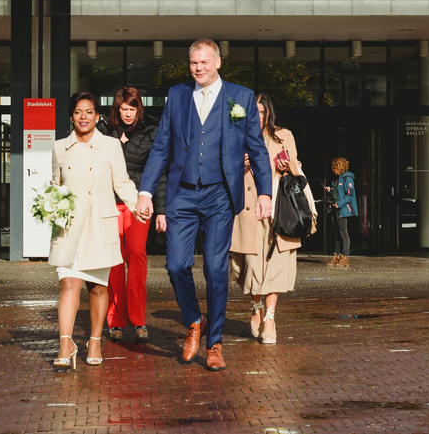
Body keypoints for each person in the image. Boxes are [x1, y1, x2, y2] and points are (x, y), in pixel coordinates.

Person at [136, 38, 272, 371]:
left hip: (220, 195)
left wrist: (266, 192)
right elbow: (161, 148)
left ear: (218, 62)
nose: (199, 68)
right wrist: (145, 191)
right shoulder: (178, 95)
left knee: (215, 269)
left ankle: (214, 342)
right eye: (194, 62)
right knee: (176, 265)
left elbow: (256, 149)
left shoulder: (239, 97)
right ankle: (193, 320)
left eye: (205, 62)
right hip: (182, 193)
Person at [49, 91, 139, 370]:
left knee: (98, 287)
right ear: (72, 116)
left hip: (98, 225)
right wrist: (51, 205)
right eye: (78, 112)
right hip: (69, 227)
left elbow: (121, 183)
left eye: (88, 112)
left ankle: (95, 340)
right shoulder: (59, 147)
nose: (83, 117)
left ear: (97, 116)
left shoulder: (111, 146)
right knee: (68, 283)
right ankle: (66, 343)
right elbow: (56, 185)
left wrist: (138, 206)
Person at [229, 93, 316, 344]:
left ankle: (270, 318)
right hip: (248, 210)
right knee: (251, 266)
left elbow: (297, 167)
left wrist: (286, 165)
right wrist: (238, 164)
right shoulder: (237, 136)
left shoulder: (283, 136)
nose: (258, 116)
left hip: (279, 209)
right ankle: (256, 308)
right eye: (253, 111)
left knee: (277, 264)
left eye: (262, 111)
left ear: (269, 113)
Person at [98, 85, 162, 342]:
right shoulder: (104, 130)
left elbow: (160, 171)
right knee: (114, 261)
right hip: (109, 203)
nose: (128, 114)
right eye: (124, 109)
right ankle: (115, 321)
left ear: (139, 108)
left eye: (132, 109)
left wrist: (162, 209)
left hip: (137, 203)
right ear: (117, 108)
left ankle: (138, 321)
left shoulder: (151, 131)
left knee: (136, 256)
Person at [324, 156, 357, 268]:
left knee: (343, 233)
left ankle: (345, 258)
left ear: (340, 167)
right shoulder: (338, 178)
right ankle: (337, 257)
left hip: (341, 209)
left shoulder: (347, 178)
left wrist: (339, 204)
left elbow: (350, 196)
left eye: (334, 168)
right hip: (335, 208)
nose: (333, 170)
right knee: (337, 233)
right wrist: (331, 189)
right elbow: (339, 191)